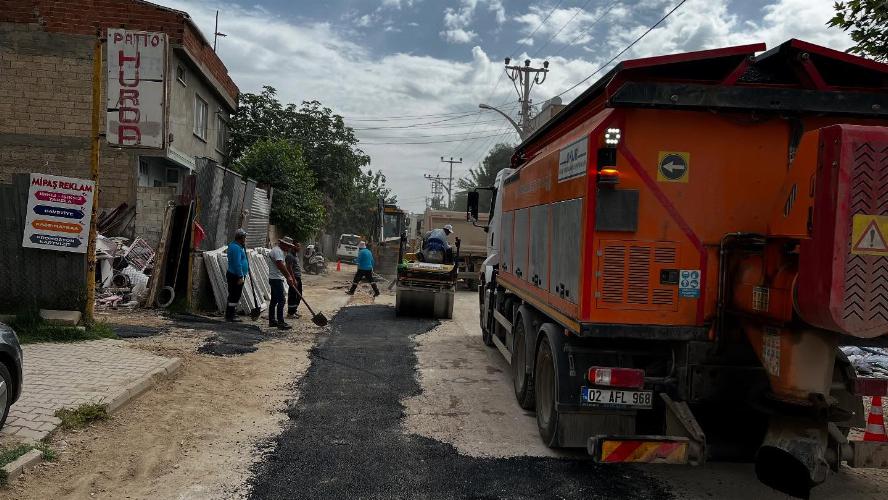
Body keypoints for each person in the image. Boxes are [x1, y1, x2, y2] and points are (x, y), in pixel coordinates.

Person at [267, 236, 298, 330]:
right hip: (276, 279)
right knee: (282, 300)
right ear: (283, 244)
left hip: (275, 278)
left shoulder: (278, 251)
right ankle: (280, 322)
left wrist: (288, 276)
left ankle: (272, 321)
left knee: (274, 300)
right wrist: (288, 276)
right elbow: (280, 265)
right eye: (288, 246)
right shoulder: (277, 251)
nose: (289, 248)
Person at [225, 228, 249, 322]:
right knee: (234, 295)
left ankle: (231, 313)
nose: (245, 239)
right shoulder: (235, 248)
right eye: (244, 237)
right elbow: (237, 263)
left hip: (235, 275)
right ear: (241, 238)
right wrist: (240, 276)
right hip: (235, 275)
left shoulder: (236, 246)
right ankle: (230, 315)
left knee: (234, 295)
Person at [286, 241, 303, 318]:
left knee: (299, 295)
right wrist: (293, 279)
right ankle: (290, 313)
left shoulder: (295, 255)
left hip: (298, 277)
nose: (299, 248)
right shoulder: (290, 256)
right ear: (293, 246)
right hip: (294, 278)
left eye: (299, 246)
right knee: (293, 295)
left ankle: (294, 311)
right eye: (298, 246)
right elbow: (289, 268)